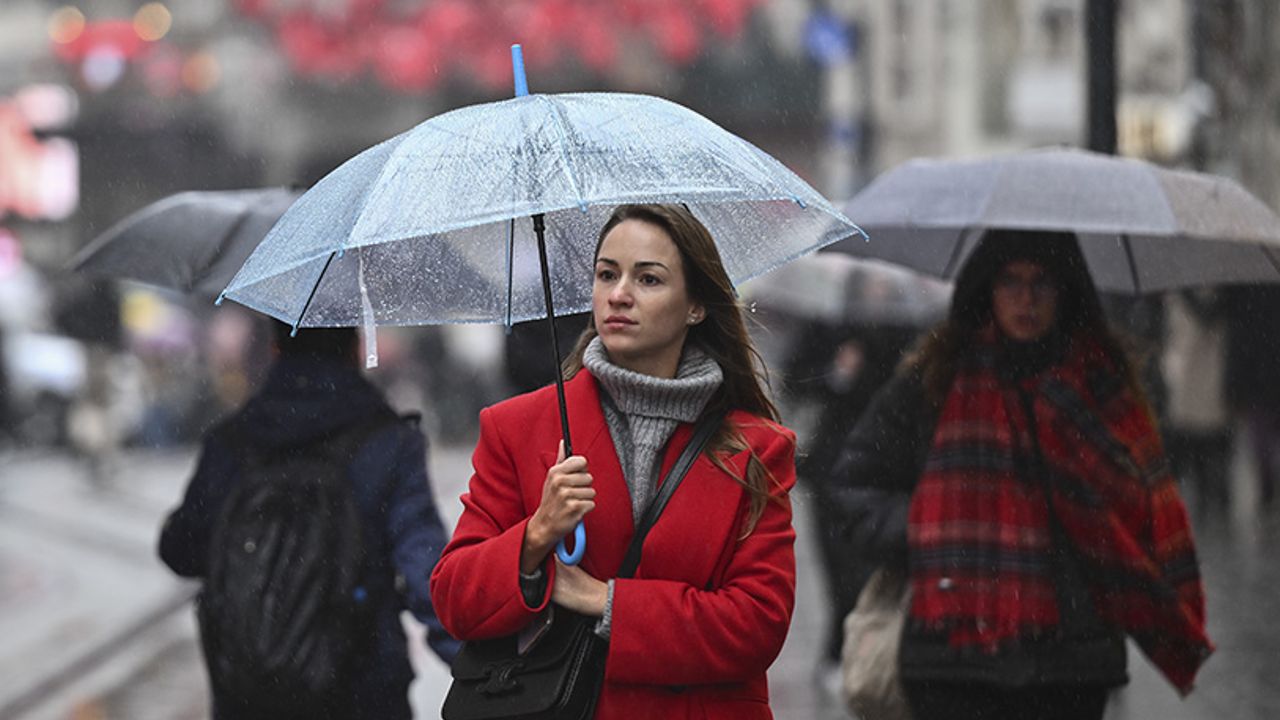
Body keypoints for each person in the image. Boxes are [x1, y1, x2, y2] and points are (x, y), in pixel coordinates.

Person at [430, 204, 797, 719]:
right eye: (607, 274)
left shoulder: (756, 448)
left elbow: (757, 624)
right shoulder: (519, 427)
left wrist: (605, 601)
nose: (619, 294)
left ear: (696, 305)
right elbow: (454, 599)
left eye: (648, 278)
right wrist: (536, 535)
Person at [829, 230, 1213, 720]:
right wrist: (924, 530)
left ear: (1066, 290)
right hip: (951, 656)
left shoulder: (1103, 385)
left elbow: (1143, 504)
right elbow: (854, 482)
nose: (1025, 298)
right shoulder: (936, 377)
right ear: (986, 288)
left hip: (1069, 660)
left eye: (1042, 283)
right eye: (1010, 281)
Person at [158, 322, 458, 720]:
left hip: (248, 693)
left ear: (276, 351)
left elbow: (182, 551)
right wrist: (476, 663)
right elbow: (427, 573)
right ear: (354, 350)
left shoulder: (232, 441)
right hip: (362, 690)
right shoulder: (389, 443)